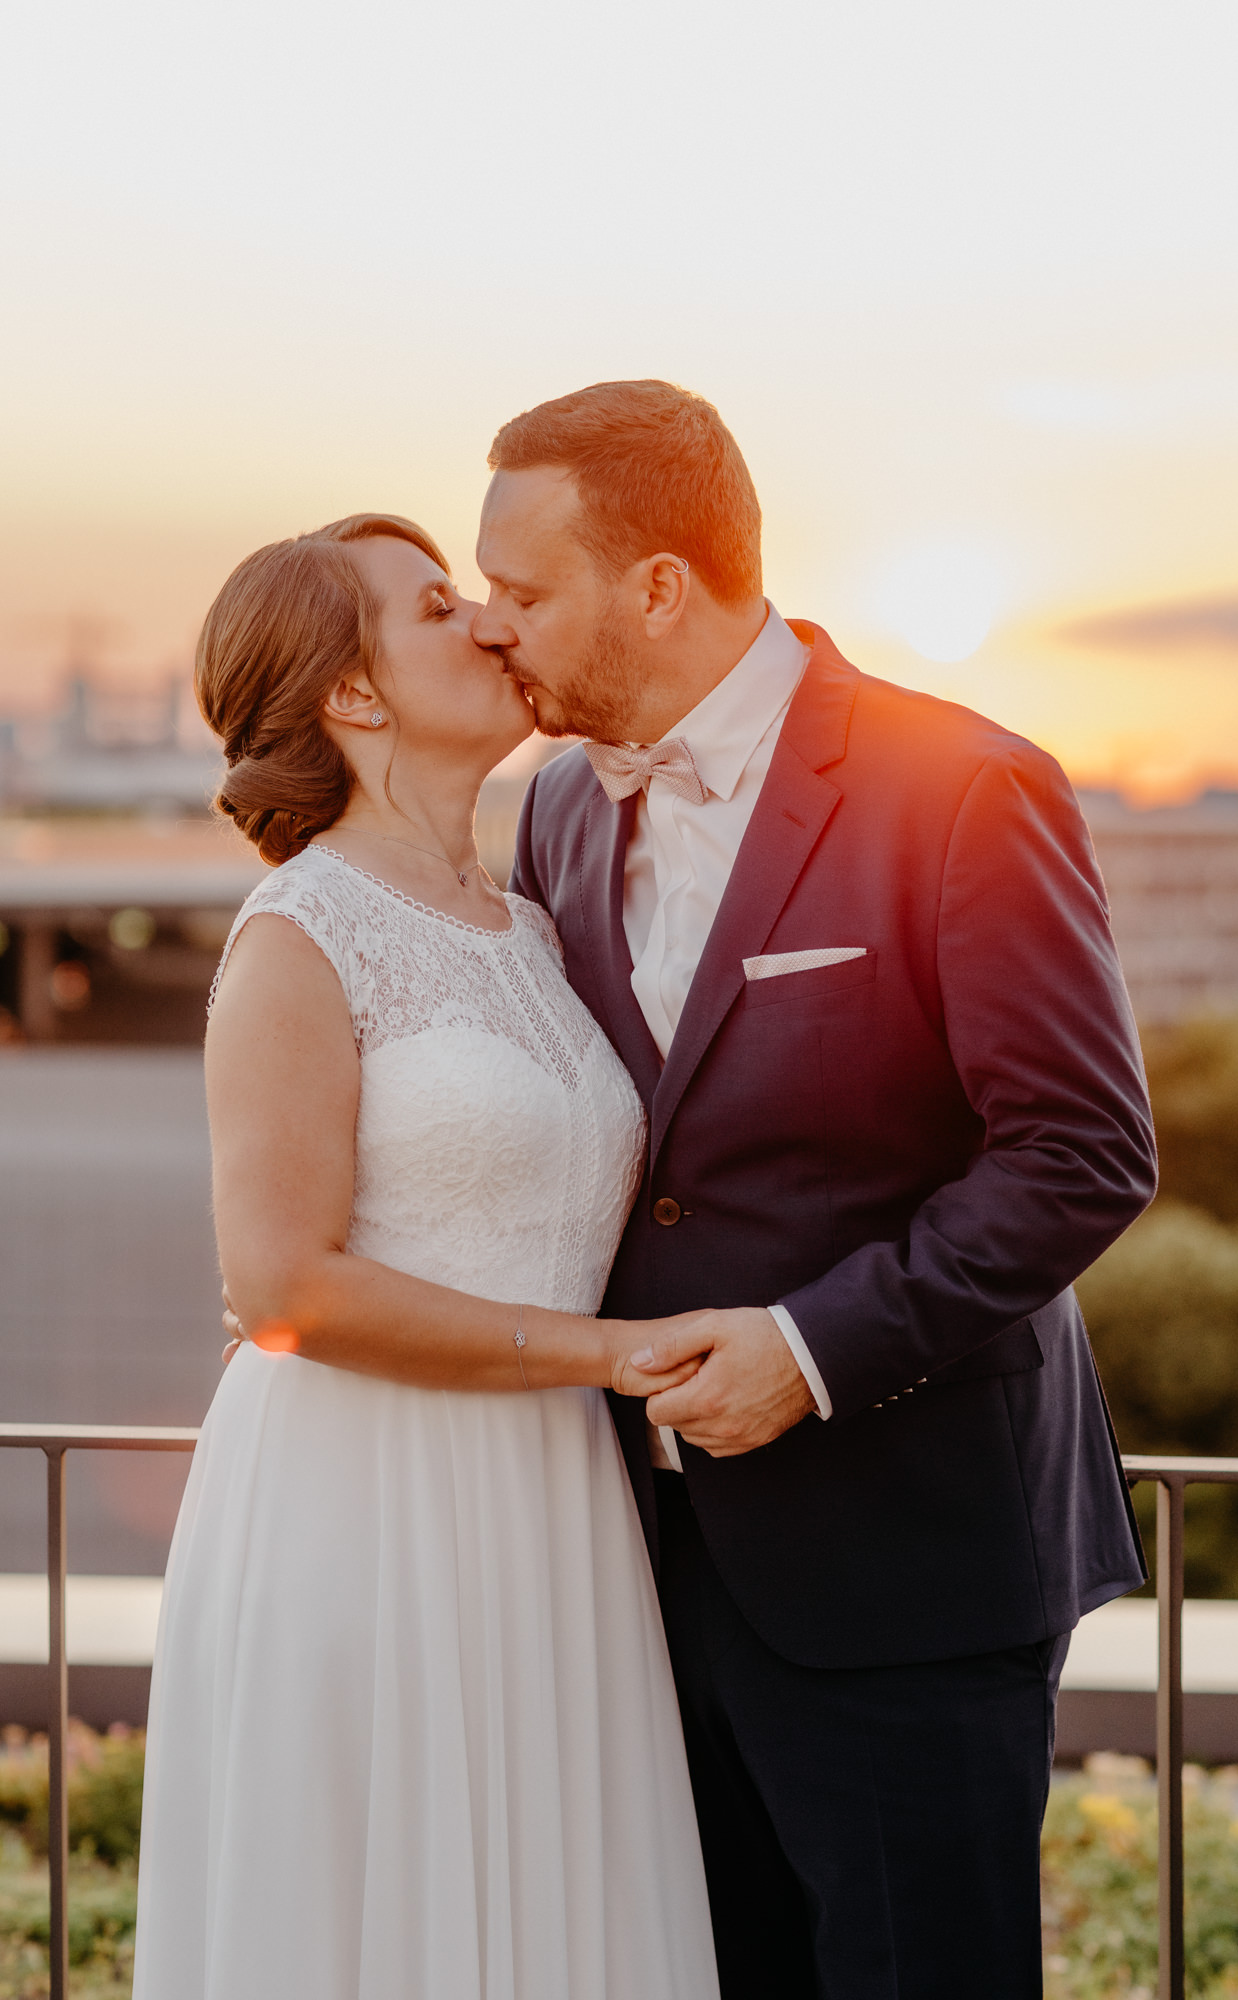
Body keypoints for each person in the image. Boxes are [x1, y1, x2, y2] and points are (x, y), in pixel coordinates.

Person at [475, 380, 1159, 1998]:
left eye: (523, 590)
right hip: (640, 1565)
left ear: (656, 584)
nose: (496, 629)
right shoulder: (563, 809)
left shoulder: (965, 786)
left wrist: (807, 1348)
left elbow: (1080, 1153)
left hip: (905, 1559)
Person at [132, 512, 721, 2000]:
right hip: (367, 1507)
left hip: (548, 1508)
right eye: (437, 605)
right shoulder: (298, 937)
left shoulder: (529, 924)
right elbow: (279, 1287)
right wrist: (609, 1359)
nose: (490, 624)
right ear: (353, 693)